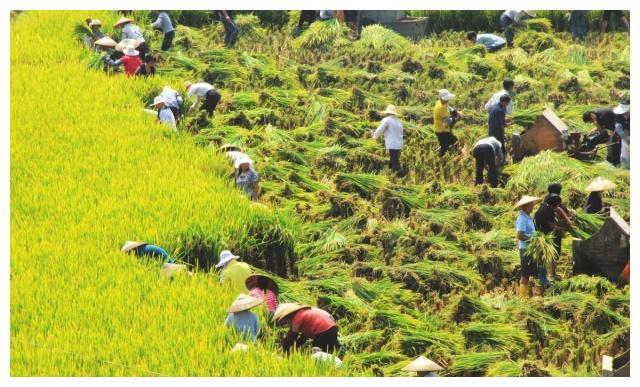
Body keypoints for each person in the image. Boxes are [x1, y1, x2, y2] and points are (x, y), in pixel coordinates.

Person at [273, 303, 340, 354]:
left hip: (322, 331)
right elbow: (303, 338)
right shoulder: (307, 312)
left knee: (317, 353)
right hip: (333, 328)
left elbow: (292, 335)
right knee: (331, 350)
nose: (287, 321)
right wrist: (295, 347)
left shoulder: (297, 317)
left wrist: (284, 348)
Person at [534, 194, 565, 289]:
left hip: (541, 235)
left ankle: (547, 276)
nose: (558, 207)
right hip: (546, 237)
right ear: (554, 205)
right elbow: (552, 226)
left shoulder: (542, 208)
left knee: (545, 257)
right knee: (549, 257)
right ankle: (550, 276)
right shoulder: (548, 212)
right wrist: (562, 229)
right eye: (557, 205)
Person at [515, 195, 542, 297]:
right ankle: (522, 298)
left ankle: (528, 295)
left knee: (530, 272)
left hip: (530, 249)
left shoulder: (528, 217)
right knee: (525, 274)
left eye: (532, 205)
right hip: (525, 249)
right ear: (525, 206)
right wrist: (534, 240)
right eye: (531, 205)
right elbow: (519, 235)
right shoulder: (522, 218)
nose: (532, 207)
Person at [373, 104, 404, 176]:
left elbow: (381, 128)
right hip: (399, 144)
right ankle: (391, 173)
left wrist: (374, 135)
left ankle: (402, 175)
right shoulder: (398, 122)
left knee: (395, 161)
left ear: (387, 113)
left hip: (392, 145)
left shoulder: (386, 120)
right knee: (393, 159)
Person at [433, 89, 462, 156]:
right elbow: (447, 121)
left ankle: (455, 153)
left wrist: (456, 111)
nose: (447, 100)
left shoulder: (440, 101)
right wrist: (457, 119)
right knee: (445, 147)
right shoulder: (440, 108)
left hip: (445, 129)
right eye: (445, 99)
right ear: (440, 97)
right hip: (441, 131)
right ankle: (438, 159)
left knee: (454, 141)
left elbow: (448, 107)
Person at [613, 101, 630, 170]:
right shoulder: (618, 116)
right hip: (624, 136)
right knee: (625, 153)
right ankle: (626, 168)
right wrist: (626, 137)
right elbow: (618, 128)